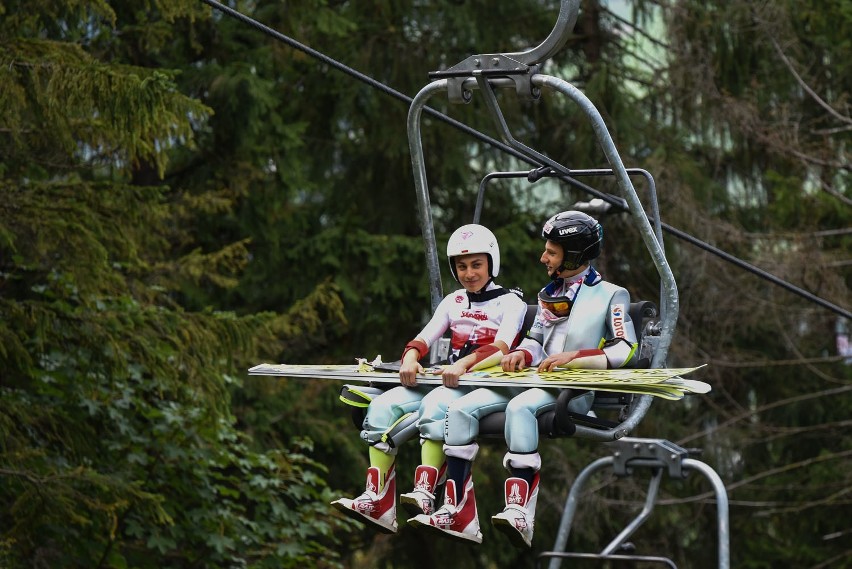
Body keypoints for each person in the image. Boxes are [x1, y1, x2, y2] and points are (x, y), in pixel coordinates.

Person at [409, 210, 638, 547]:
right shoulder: (550, 294)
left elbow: (625, 348)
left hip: (570, 387)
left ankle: (520, 511)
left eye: (552, 252)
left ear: (573, 255)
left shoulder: (611, 295)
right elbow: (536, 338)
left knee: (519, 409)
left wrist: (575, 359)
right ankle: (458, 511)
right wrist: (524, 353)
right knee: (458, 411)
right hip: (534, 379)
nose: (543, 257)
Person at [331, 224, 527, 533]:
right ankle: (378, 500)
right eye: (461, 266)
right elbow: (424, 338)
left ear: (492, 263)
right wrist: (410, 358)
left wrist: (464, 364)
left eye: (477, 265)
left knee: (435, 405)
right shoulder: (454, 302)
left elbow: (502, 347)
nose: (469, 273)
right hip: (448, 379)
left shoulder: (510, 302)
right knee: (381, 407)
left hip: (480, 383)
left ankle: (425, 491)